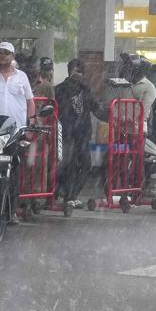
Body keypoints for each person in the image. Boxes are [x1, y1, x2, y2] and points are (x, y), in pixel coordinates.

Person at [55, 58, 99, 204]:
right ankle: (66, 194)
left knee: (85, 164)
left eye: (81, 71)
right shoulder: (60, 89)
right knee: (68, 164)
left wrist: (111, 116)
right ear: (70, 71)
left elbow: (95, 107)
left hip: (82, 133)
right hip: (67, 133)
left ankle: (71, 194)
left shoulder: (85, 89)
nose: (78, 74)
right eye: (76, 70)